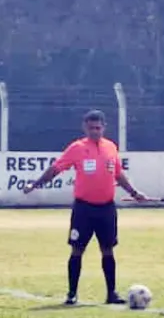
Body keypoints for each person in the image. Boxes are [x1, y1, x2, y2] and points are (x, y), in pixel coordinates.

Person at [22, 109, 147, 305]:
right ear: (84, 128)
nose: (95, 131)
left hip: (106, 208)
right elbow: (55, 169)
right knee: (77, 250)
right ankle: (72, 293)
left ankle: (111, 293)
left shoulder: (111, 147)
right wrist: (35, 184)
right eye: (91, 128)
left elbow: (118, 174)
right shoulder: (77, 148)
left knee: (108, 250)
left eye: (98, 128)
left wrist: (134, 192)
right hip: (84, 210)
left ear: (104, 127)